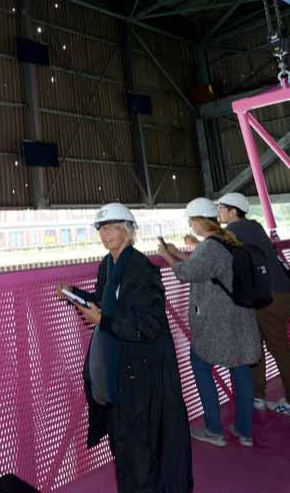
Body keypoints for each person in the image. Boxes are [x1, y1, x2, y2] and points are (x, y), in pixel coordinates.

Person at [56, 203, 193, 492]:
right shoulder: (108, 265)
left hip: (144, 370)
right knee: (122, 439)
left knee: (143, 441)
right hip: (121, 365)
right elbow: (106, 302)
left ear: (128, 232)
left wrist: (103, 321)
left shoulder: (142, 269)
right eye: (101, 228)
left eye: (112, 227)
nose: (105, 234)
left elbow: (150, 325)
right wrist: (75, 295)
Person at [157, 197, 261, 448]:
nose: (190, 226)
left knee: (200, 363)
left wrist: (165, 255)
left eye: (191, 221)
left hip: (218, 321)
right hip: (240, 316)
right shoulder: (227, 240)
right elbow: (204, 267)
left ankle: (214, 429)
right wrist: (177, 252)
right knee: (240, 369)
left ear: (198, 221)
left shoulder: (208, 247)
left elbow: (187, 273)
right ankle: (244, 430)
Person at [217, 192, 290, 419]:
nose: (219, 212)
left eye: (221, 208)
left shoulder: (236, 229)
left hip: (270, 297)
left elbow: (213, 250)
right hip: (275, 294)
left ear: (233, 211)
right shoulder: (253, 226)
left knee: (279, 350)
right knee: (256, 345)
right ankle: (257, 395)